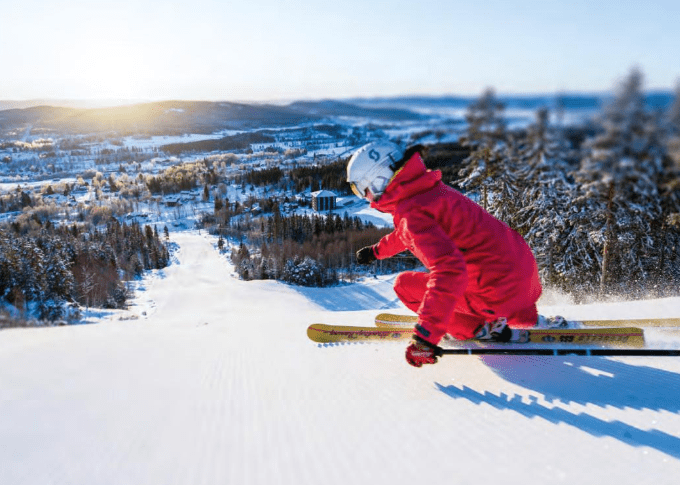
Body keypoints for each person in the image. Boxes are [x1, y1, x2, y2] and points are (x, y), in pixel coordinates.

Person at [347, 141, 543, 368]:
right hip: (524, 282)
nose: (365, 197)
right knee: (475, 275)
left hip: (497, 294)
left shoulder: (411, 213)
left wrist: (424, 339)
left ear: (379, 181)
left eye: (361, 190)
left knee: (404, 285)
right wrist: (376, 252)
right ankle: (517, 315)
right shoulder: (431, 191)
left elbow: (449, 272)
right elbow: (410, 233)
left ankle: (481, 329)